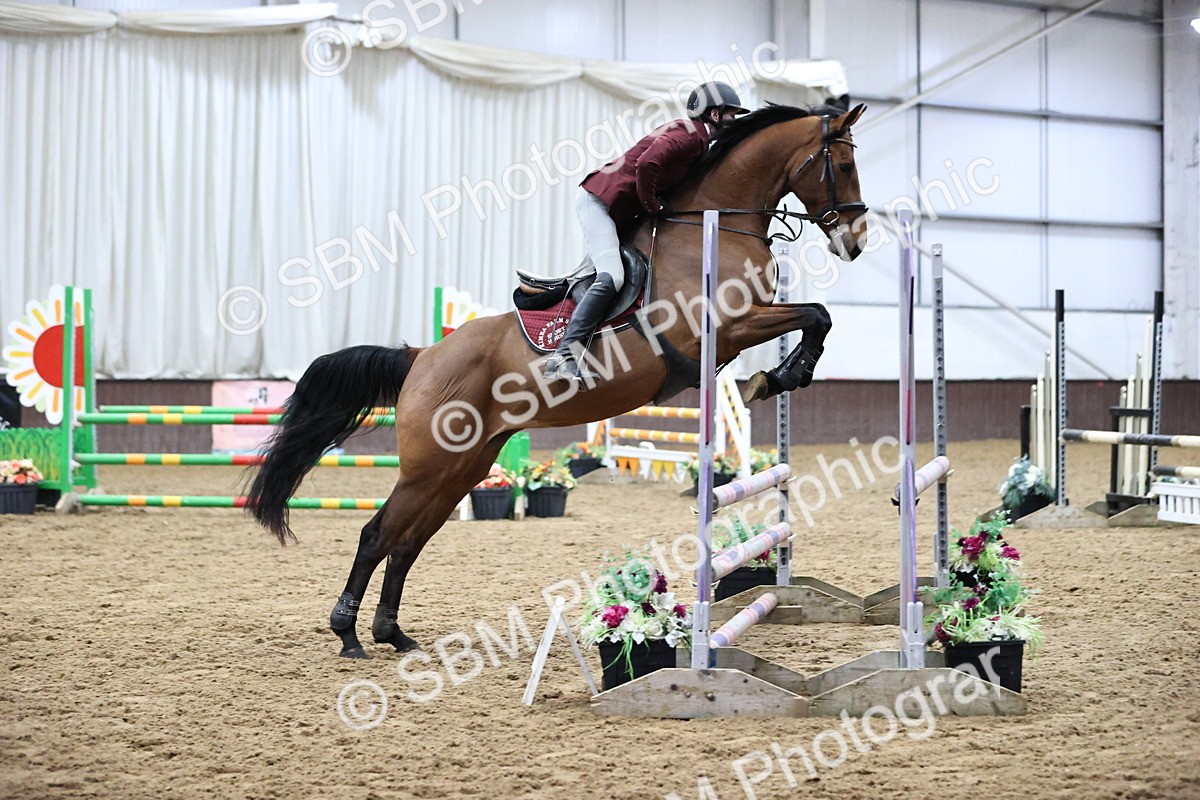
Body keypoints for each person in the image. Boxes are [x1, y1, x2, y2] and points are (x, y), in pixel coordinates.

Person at [542, 81, 749, 383]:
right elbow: (647, 163)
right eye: (732, 115)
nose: (734, 121)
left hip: (618, 209)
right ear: (714, 114)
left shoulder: (699, 142)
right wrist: (652, 204)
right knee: (613, 276)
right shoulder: (689, 135)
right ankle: (564, 356)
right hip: (599, 202)